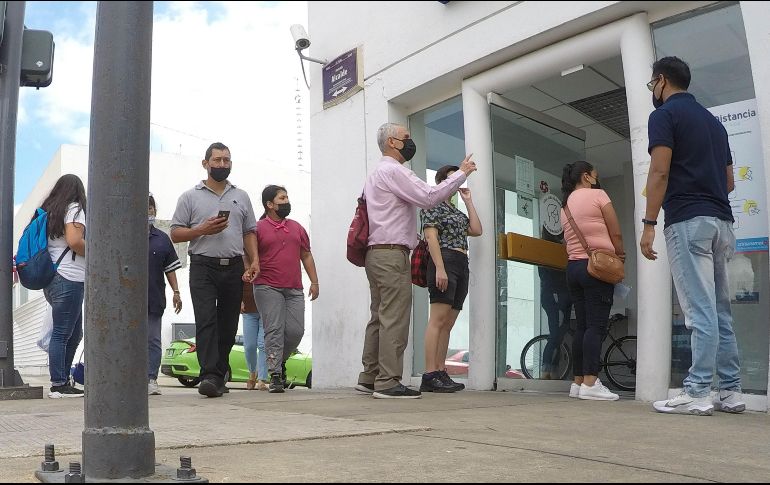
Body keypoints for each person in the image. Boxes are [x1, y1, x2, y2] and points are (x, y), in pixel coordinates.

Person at [641, 56, 744, 416]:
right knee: (720, 311)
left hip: (688, 220)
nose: (652, 90)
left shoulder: (664, 116)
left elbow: (659, 172)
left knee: (699, 311)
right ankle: (730, 391)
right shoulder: (715, 124)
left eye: (652, 83)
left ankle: (698, 391)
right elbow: (729, 182)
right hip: (722, 222)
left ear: (662, 80)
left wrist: (649, 223)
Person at [355, 122, 477, 399]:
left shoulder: (376, 173)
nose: (410, 142)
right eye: (406, 137)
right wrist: (462, 173)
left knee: (379, 316)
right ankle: (387, 381)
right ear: (392, 143)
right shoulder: (394, 170)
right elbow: (428, 196)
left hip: (376, 252)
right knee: (394, 317)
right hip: (391, 254)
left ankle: (370, 377)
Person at [170, 142, 260, 398]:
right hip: (202, 266)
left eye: (226, 160)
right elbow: (175, 233)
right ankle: (209, 375)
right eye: (217, 160)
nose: (222, 164)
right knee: (207, 320)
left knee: (229, 324)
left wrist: (255, 260)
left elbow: (249, 231)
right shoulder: (189, 197)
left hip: (233, 267)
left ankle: (219, 375)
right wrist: (201, 230)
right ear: (205, 163)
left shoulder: (241, 196)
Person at [560, 161, 625, 401]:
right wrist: (620, 256)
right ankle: (591, 382)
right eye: (595, 175)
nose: (597, 179)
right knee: (596, 327)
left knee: (583, 326)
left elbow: (567, 241)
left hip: (573, 268)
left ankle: (578, 382)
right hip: (596, 267)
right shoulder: (598, 195)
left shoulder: (565, 205)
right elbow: (615, 231)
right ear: (586, 177)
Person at [419, 165, 482, 393]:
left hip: (461, 262)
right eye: (452, 178)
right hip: (444, 259)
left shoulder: (454, 211)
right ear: (442, 182)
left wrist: (468, 202)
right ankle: (429, 374)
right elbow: (430, 237)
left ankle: (440, 371)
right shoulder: (432, 203)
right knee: (437, 319)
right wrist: (439, 268)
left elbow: (476, 229)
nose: (457, 183)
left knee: (448, 322)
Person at [250, 185, 318, 394]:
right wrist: (248, 269)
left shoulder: (296, 227)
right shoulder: (257, 228)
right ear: (269, 204)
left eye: (287, 197)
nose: (286, 201)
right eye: (282, 198)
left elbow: (306, 255)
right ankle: (275, 375)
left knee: (296, 331)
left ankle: (280, 361)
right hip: (267, 286)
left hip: (294, 288)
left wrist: (314, 282)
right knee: (274, 330)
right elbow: (248, 254)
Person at [40, 174, 87, 398]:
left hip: (53, 279)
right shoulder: (75, 208)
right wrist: (100, 251)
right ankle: (59, 384)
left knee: (74, 333)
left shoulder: (50, 211)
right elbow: (75, 241)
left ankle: (63, 380)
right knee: (62, 333)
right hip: (69, 278)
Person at [147, 194, 183, 396]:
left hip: (154, 299)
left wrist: (176, 292)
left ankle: (151, 379)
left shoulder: (162, 239)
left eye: (150, 207)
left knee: (153, 340)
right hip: (127, 302)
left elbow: (170, 269)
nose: (148, 211)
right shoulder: (124, 236)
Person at [538, 227, 572, 381]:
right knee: (556, 335)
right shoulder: (552, 250)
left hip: (556, 294)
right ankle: (547, 370)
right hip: (556, 295)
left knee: (558, 334)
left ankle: (551, 370)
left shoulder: (547, 249)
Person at [241, 276, 269, 391]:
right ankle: (252, 372)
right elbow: (234, 283)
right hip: (248, 310)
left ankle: (262, 379)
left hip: (265, 310)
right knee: (249, 346)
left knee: (263, 345)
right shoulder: (242, 265)